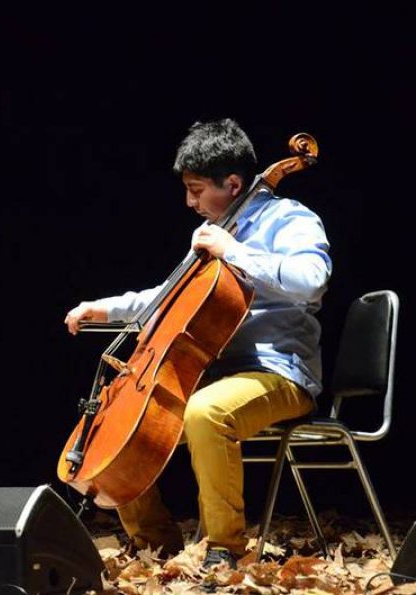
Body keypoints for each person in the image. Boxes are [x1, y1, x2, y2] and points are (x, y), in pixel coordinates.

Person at [64, 119, 331, 567]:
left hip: (279, 372)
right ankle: (154, 542)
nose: (190, 202)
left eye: (196, 189)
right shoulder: (214, 231)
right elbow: (169, 296)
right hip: (215, 371)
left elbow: (313, 281)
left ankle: (225, 549)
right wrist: (105, 308)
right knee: (122, 420)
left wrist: (235, 252)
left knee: (205, 413)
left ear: (232, 183)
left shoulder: (290, 219)